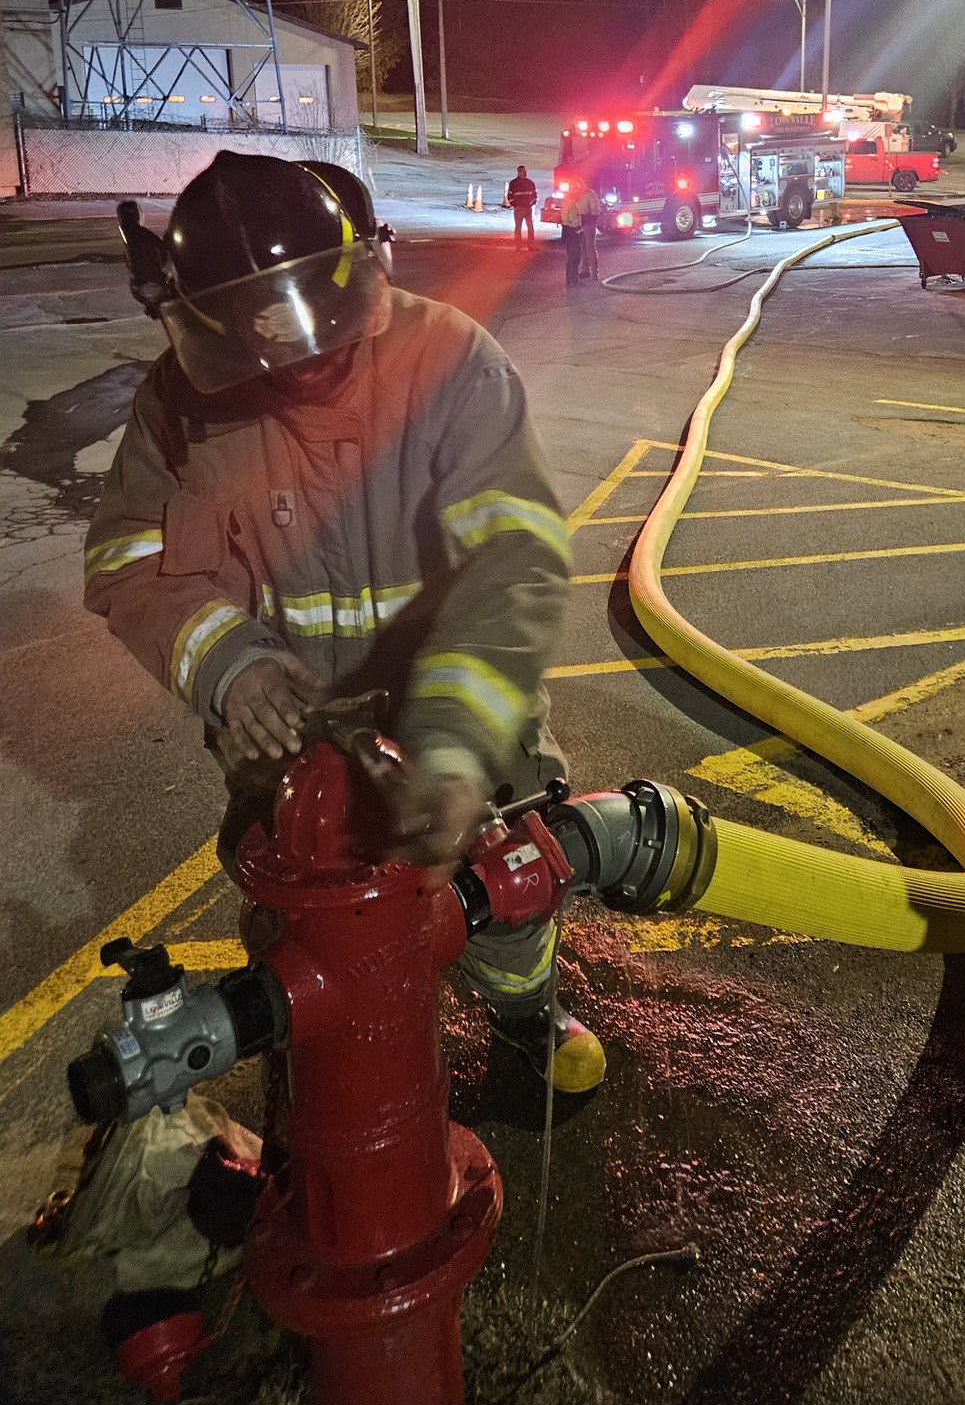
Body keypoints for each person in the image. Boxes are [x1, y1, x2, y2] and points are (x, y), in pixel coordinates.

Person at [84, 152, 604, 1094]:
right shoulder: (179, 405)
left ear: (360, 271)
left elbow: (514, 560)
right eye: (269, 345)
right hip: (289, 735)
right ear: (208, 324)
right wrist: (228, 667)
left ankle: (523, 1012)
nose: (306, 363)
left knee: (506, 896)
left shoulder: (447, 361)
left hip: (450, 705)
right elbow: (134, 559)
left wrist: (451, 745)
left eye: (325, 332)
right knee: (302, 916)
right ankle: (322, 1057)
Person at [560, 180, 600, 287]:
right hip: (575, 226)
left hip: (587, 224)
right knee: (578, 251)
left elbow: (595, 211)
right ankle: (582, 272)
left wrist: (586, 220)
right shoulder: (571, 199)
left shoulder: (589, 194)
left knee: (589, 247)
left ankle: (594, 272)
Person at [505, 164, 538, 244]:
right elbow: (510, 195)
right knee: (518, 228)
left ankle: (531, 245)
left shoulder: (530, 183)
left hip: (528, 208)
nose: (522, 173)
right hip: (519, 208)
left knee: (530, 228)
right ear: (518, 172)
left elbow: (534, 194)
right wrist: (515, 205)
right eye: (520, 171)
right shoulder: (513, 183)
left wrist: (532, 203)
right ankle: (518, 245)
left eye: (523, 171)